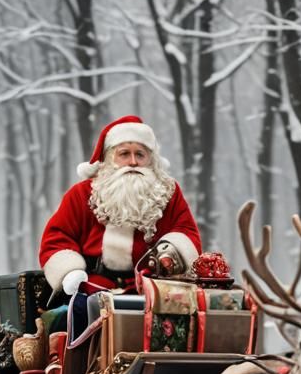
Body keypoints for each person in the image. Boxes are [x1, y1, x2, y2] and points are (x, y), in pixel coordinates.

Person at [39, 115, 202, 295]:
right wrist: (70, 272)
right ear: (110, 159)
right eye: (124, 154)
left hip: (154, 289)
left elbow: (186, 231)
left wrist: (171, 256)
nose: (133, 162)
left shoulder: (168, 192)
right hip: (95, 288)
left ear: (151, 160)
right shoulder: (81, 194)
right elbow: (57, 237)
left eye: (140, 154)